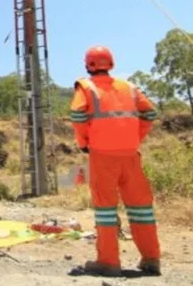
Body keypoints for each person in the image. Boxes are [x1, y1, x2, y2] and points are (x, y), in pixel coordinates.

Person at [70, 45, 161, 277]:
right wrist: (135, 136)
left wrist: (84, 141)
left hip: (102, 155)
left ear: (88, 64)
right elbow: (150, 113)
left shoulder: (86, 87)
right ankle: (151, 259)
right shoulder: (129, 87)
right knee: (141, 208)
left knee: (105, 210)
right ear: (111, 63)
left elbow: (77, 114)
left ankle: (108, 262)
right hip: (130, 154)